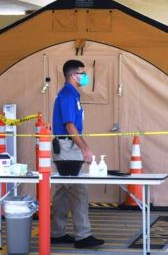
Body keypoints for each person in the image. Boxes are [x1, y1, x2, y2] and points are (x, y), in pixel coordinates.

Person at [50, 60, 105, 249]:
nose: (85, 76)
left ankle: (57, 233)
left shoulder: (73, 95)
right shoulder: (67, 95)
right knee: (78, 190)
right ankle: (83, 236)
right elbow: (69, 125)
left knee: (62, 191)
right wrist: (84, 148)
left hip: (67, 146)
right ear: (73, 76)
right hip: (67, 147)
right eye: (82, 73)